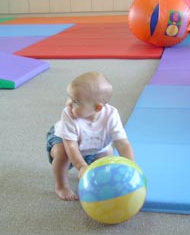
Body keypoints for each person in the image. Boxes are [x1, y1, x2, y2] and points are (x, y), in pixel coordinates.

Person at [46, 71, 134, 201]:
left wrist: (131, 165)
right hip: (65, 141)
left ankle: (97, 178)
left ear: (98, 108)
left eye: (75, 101)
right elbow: (70, 145)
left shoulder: (111, 115)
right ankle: (61, 185)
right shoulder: (69, 114)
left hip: (96, 145)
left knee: (108, 155)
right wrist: (81, 166)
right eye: (70, 98)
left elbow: (122, 143)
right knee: (62, 153)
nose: (69, 104)